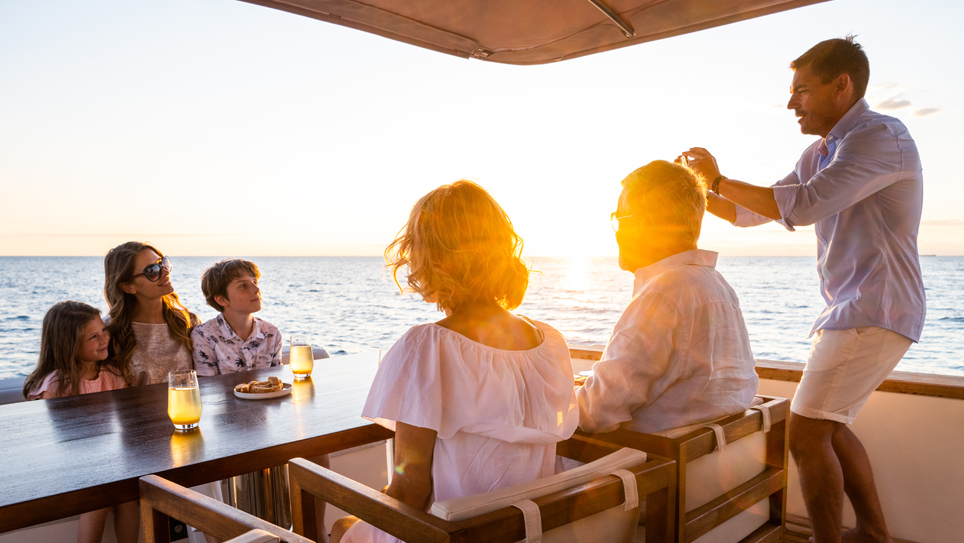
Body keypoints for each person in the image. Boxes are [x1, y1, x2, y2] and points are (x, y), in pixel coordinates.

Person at [680, 37, 924, 543]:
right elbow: (757, 211)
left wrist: (720, 178)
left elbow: (806, 205)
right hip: (855, 310)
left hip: (875, 308)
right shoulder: (821, 152)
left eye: (802, 91)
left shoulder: (879, 137)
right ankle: (874, 535)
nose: (791, 103)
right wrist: (698, 188)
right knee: (827, 425)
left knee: (807, 432)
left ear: (842, 85)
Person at [333, 180, 579, 543]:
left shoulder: (428, 347)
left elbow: (411, 490)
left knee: (341, 527)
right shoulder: (550, 343)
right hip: (524, 530)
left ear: (429, 256)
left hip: (447, 533)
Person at [577, 160, 759, 435]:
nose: (617, 233)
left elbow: (594, 413)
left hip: (648, 467)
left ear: (642, 225)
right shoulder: (718, 287)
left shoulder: (663, 295)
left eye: (620, 219)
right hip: (696, 464)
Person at [22, 301, 138, 543]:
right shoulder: (55, 385)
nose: (104, 339)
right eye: (92, 337)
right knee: (97, 500)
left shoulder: (113, 376)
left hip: (109, 460)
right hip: (72, 465)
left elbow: (123, 420)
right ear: (68, 345)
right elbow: (46, 438)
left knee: (128, 496)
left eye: (103, 330)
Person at [104, 241, 199, 386]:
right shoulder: (109, 333)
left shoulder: (188, 321)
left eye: (163, 264)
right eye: (153, 271)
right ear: (128, 286)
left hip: (187, 408)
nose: (165, 272)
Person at [192, 259, 282, 376]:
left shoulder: (272, 332)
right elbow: (208, 389)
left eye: (255, 282)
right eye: (243, 285)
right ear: (221, 299)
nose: (256, 289)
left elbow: (275, 383)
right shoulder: (203, 335)